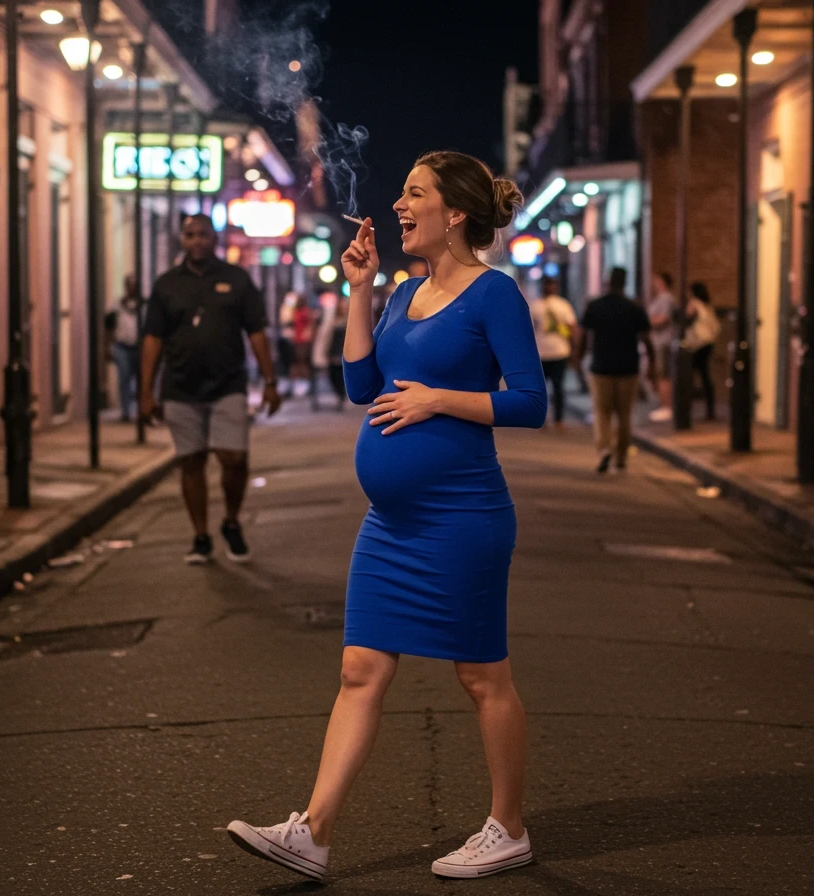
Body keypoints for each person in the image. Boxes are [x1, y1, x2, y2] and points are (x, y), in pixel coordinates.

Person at [227, 152, 545, 883]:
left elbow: (530, 402)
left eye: (414, 193)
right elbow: (359, 384)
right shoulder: (402, 290)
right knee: (359, 668)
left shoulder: (492, 295)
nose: (398, 204)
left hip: (464, 514)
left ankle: (509, 828)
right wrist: (360, 291)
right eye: (401, 191)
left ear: (455, 212)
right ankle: (313, 831)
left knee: (480, 677)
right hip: (389, 524)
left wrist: (437, 398)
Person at [139, 215, 281, 565]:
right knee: (191, 462)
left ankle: (231, 521)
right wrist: (146, 391)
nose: (197, 241)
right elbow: (153, 340)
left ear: (214, 238)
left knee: (234, 459)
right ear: (181, 240)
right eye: (190, 235)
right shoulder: (166, 285)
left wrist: (270, 382)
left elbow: (257, 332)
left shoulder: (237, 280)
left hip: (228, 386)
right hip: (180, 388)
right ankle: (200, 536)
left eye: (203, 234)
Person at [575, 267, 652, 474]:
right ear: (625, 282)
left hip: (600, 367)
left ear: (608, 281)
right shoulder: (634, 307)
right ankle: (621, 457)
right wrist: (652, 365)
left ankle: (604, 450)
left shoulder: (595, 306)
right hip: (628, 367)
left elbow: (583, 336)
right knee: (624, 414)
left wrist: (578, 358)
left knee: (602, 412)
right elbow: (646, 338)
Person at [529, 276, 577, 430]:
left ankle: (556, 419)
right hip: (546, 352)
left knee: (554, 387)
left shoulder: (560, 305)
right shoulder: (537, 306)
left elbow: (571, 328)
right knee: (549, 387)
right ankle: (549, 418)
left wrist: (574, 348)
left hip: (555, 351)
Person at [104, 274, 142, 422]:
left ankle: (140, 410)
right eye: (129, 284)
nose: (132, 287)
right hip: (121, 346)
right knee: (124, 378)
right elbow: (108, 327)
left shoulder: (144, 304)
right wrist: (106, 347)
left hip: (138, 347)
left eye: (134, 284)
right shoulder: (116, 305)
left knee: (141, 379)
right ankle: (125, 411)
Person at [683, 281, 720, 420]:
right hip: (708, 342)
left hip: (697, 344)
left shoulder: (694, 303)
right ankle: (710, 409)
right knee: (705, 375)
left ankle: (687, 409)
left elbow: (687, 318)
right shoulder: (707, 305)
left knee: (689, 375)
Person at [647, 271, 676, 421]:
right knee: (660, 373)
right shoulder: (661, 298)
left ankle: (667, 406)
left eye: (656, 280)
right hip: (659, 341)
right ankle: (664, 405)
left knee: (664, 374)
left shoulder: (665, 298)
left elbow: (663, 318)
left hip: (663, 341)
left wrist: (648, 321)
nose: (654, 283)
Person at [310, 289, 338, 411]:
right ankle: (316, 400)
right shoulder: (318, 317)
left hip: (324, 352)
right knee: (317, 377)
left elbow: (327, 336)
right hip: (316, 351)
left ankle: (337, 397)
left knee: (332, 377)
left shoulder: (328, 319)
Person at [326, 294, 349, 409]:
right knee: (332, 376)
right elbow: (329, 339)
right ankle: (340, 395)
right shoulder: (333, 320)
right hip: (333, 353)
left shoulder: (349, 321)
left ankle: (341, 396)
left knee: (340, 377)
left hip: (342, 353)